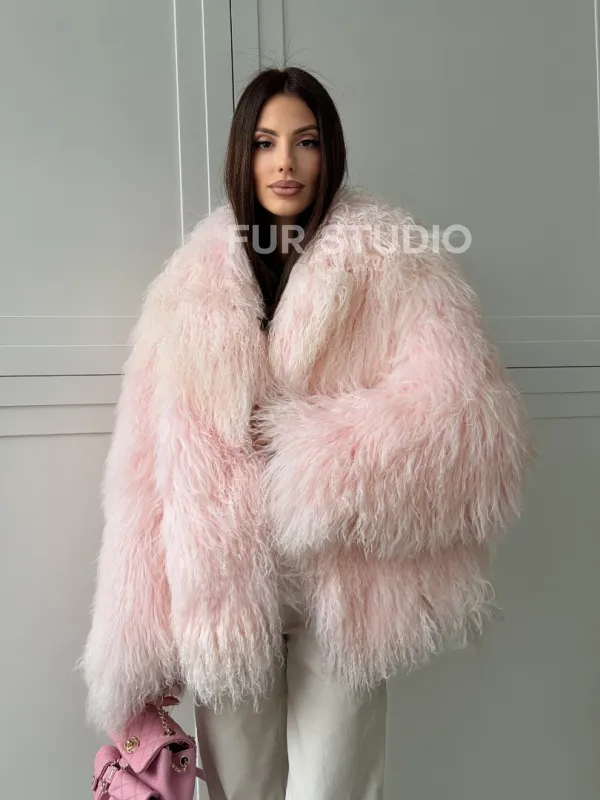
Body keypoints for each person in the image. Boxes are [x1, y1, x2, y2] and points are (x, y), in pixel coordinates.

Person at [78, 66, 535, 800]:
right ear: (243, 153)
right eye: (265, 143)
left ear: (330, 151)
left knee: (335, 790)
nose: (285, 162)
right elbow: (143, 470)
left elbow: (468, 412)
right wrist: (135, 638)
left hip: (343, 578)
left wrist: (314, 462)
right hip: (225, 586)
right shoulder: (192, 284)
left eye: (306, 141)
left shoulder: (392, 260)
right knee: (242, 790)